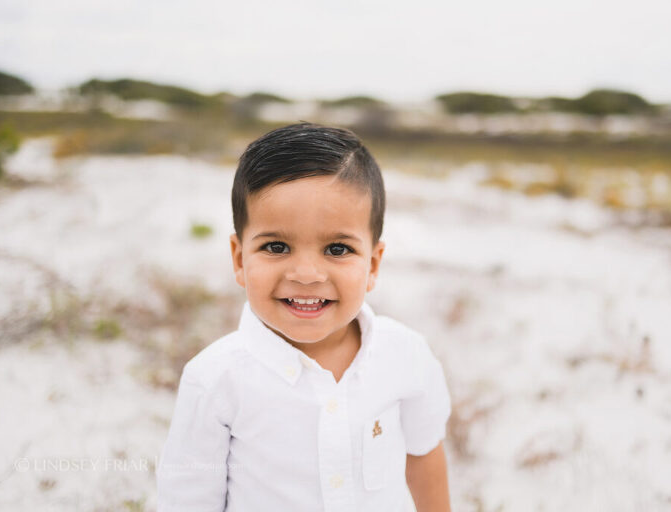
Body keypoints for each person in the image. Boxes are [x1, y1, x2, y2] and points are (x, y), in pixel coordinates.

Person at [156, 122, 452, 511]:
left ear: (374, 264)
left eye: (337, 249)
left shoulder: (404, 354)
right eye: (277, 246)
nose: (307, 274)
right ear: (240, 258)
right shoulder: (215, 379)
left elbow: (424, 452)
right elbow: (188, 500)